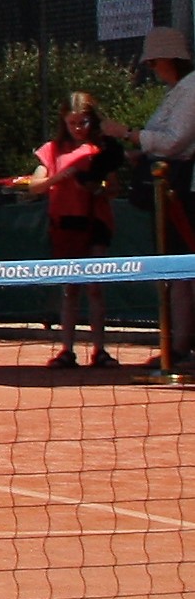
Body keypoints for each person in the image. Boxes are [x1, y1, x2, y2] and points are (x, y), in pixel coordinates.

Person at [0, 92, 125, 367]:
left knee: (95, 287)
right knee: (70, 288)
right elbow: (35, 185)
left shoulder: (100, 149)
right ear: (64, 122)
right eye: (72, 123)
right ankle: (67, 350)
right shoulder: (52, 150)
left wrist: (94, 187)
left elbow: (113, 187)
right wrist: (61, 177)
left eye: (83, 122)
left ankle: (100, 350)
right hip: (66, 223)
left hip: (95, 222)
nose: (78, 128)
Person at [131, 28, 195, 365]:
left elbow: (173, 143)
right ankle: (179, 345)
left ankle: (181, 346)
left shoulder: (192, 89)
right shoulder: (176, 93)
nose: (152, 67)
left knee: (186, 268)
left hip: (184, 192)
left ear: (169, 58)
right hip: (171, 194)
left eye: (154, 60)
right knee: (177, 270)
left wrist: (129, 134)